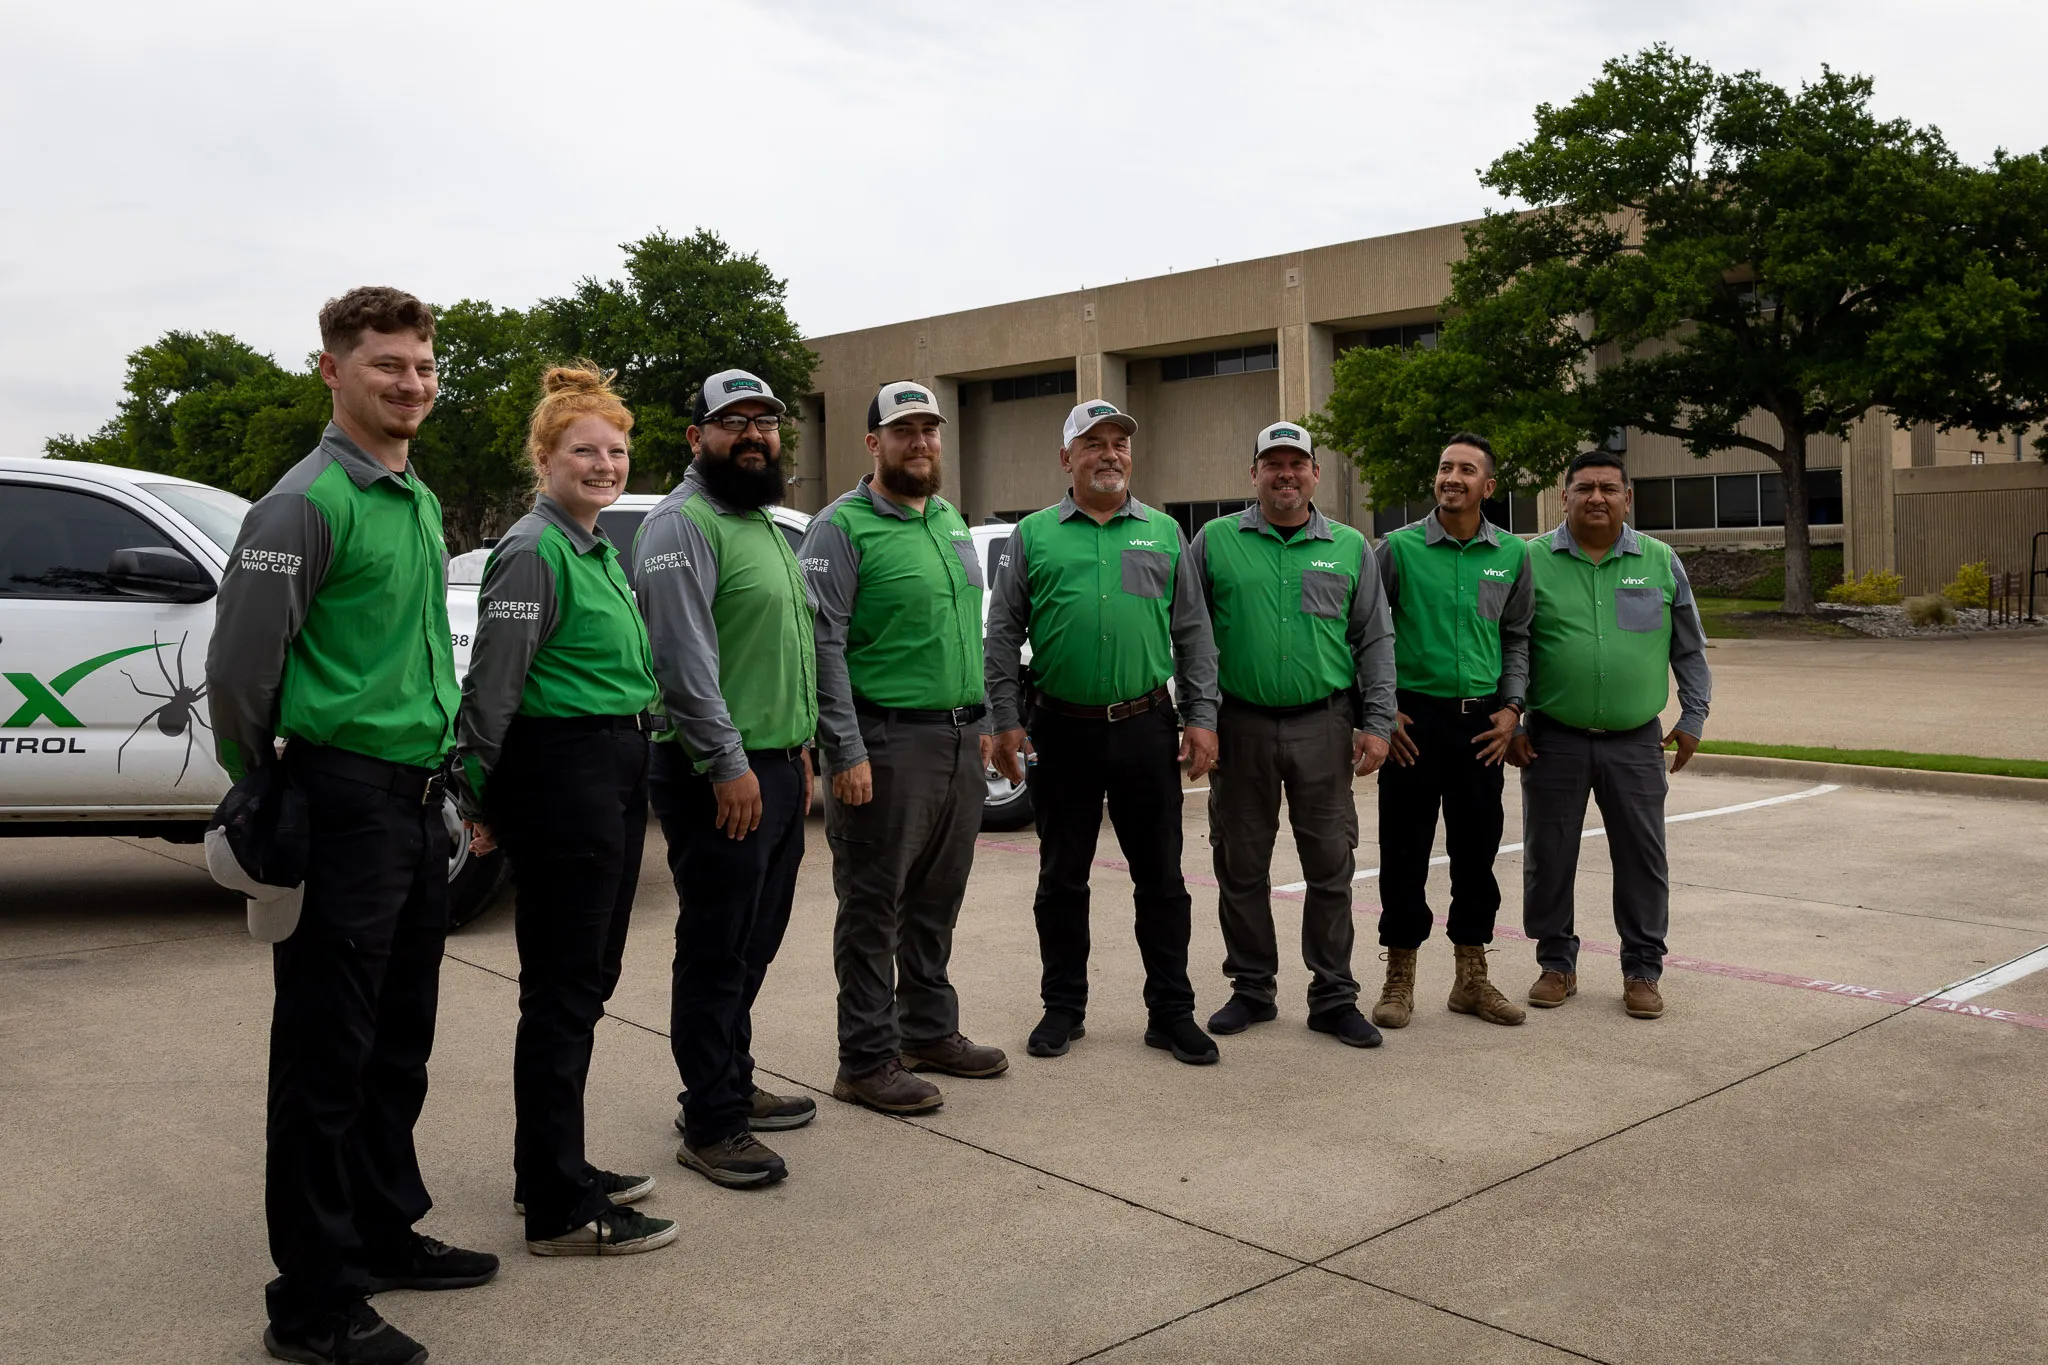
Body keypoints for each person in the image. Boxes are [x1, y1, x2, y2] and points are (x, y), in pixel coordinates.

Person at [208, 287, 497, 1365]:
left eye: (422, 365)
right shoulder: (303, 503)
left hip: (416, 804)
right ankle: (314, 1304)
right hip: (341, 801)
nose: (411, 383)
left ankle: (384, 1233)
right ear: (331, 371)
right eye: (387, 365)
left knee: (397, 1047)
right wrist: (269, 788)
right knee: (325, 1063)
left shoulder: (411, 496)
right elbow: (240, 675)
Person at [453, 365, 676, 1257]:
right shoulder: (534, 550)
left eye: (616, 449)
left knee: (585, 982)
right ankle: (554, 1202)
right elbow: (493, 686)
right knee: (562, 989)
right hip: (566, 773)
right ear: (544, 457)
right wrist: (478, 796)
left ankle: (553, 1165)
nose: (604, 462)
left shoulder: (591, 548)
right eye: (584, 448)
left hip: (614, 768)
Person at [986, 398, 1223, 1065]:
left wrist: (1202, 714)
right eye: (1093, 443)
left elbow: (1193, 632)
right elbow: (1003, 634)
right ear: (1067, 458)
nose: (1110, 453)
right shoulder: (1032, 536)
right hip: (1061, 730)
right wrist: (1004, 719)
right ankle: (1064, 1005)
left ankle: (1171, 1010)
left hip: (1146, 725)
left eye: (1119, 441)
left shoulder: (1162, 532)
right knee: (1062, 876)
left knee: (1162, 879)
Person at [801, 381, 1008, 1114]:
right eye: (903, 430)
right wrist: (845, 750)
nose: (920, 442)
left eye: (929, 429)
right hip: (884, 740)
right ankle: (865, 1057)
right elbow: (822, 647)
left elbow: (967, 632)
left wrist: (983, 723)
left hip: (956, 739)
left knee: (935, 899)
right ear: (873, 444)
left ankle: (927, 1031)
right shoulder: (841, 528)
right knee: (872, 905)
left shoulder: (949, 519)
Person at [633, 368, 818, 1188]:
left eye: (765, 422)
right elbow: (682, 661)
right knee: (714, 948)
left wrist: (799, 744)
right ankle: (711, 1121)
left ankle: (730, 1083)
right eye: (732, 422)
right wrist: (728, 762)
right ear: (695, 436)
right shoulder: (682, 524)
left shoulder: (764, 525)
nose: (753, 435)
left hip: (773, 767)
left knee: (753, 942)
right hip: (718, 774)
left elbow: (785, 647)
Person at [1190, 422, 1395, 1048]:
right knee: (1241, 866)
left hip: (1323, 724)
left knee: (1331, 866)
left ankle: (1333, 996)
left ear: (1314, 472)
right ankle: (1252, 989)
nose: (1285, 474)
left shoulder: (1350, 546)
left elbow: (1374, 640)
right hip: (1240, 725)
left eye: (1296, 464)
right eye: (1272, 463)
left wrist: (1378, 722)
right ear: (1254, 472)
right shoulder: (1215, 542)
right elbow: (1192, 638)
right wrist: (1198, 718)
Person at [1507, 450, 1712, 1019]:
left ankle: (1643, 971)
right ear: (1564, 496)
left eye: (1608, 488)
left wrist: (1693, 716)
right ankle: (1556, 964)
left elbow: (1689, 647)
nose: (1596, 497)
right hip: (1553, 739)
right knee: (1548, 855)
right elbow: (1511, 644)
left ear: (1627, 497)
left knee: (1644, 859)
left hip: (1635, 741)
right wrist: (1513, 717)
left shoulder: (1659, 560)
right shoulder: (1530, 560)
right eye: (1584, 487)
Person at [1370, 433, 1532, 1031]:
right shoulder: (1397, 550)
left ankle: (1471, 978)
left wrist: (1513, 710)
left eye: (1466, 470)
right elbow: (1367, 632)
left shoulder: (1513, 555)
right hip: (1413, 723)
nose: (1452, 477)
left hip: (1482, 727)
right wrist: (1381, 709)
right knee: (1404, 853)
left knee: (1477, 853)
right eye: (1444, 468)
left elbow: (1517, 637)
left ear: (1488, 487)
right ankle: (1399, 976)